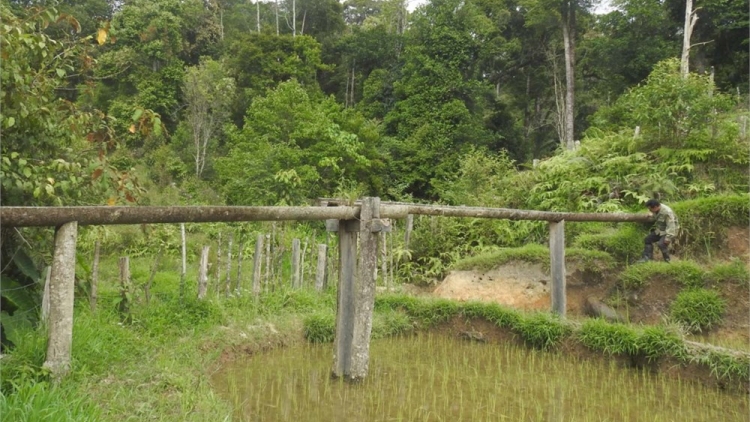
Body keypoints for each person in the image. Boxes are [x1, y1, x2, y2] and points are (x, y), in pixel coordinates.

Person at [637, 199, 679, 263]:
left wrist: (668, 238)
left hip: (669, 231)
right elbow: (655, 217)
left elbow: (671, 226)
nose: (650, 211)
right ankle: (647, 258)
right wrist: (650, 215)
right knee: (647, 240)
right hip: (660, 230)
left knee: (661, 244)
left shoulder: (667, 212)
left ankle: (668, 260)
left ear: (655, 207)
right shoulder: (656, 210)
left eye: (650, 209)